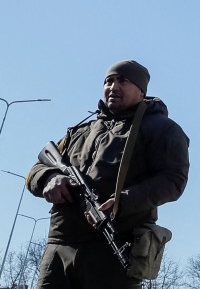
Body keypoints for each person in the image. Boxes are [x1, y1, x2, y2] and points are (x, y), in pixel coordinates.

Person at [26, 60, 190, 289]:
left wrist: (123, 201)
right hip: (60, 244)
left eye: (123, 81)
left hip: (114, 246)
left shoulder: (162, 129)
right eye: (108, 81)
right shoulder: (81, 131)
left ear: (141, 91)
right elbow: (36, 168)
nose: (113, 87)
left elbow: (174, 179)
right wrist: (49, 179)